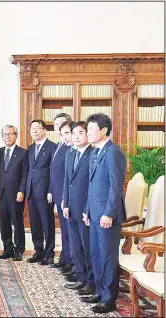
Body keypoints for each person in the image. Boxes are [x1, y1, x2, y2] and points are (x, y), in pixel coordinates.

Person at [82, 114, 126, 314]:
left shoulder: (113, 153)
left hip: (107, 216)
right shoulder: (95, 152)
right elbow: (92, 186)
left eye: (91, 129)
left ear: (104, 131)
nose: (88, 133)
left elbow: (116, 188)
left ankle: (109, 299)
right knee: (96, 254)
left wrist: (109, 213)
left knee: (107, 257)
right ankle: (100, 291)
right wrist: (88, 211)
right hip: (94, 214)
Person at [62, 121, 95, 296]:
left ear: (88, 135)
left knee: (86, 246)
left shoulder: (92, 155)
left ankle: (91, 281)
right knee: (75, 245)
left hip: (85, 210)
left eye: (80, 133)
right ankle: (81, 277)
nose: (75, 137)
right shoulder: (70, 154)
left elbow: (92, 185)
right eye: (73, 133)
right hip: (71, 208)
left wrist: (88, 209)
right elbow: (67, 181)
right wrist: (65, 202)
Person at [26, 120, 57, 265]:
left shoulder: (52, 147)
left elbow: (54, 172)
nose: (34, 131)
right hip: (31, 190)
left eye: (37, 128)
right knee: (35, 223)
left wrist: (51, 190)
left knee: (47, 223)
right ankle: (38, 251)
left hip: (45, 192)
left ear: (44, 130)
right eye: (32, 128)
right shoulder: (31, 148)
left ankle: (49, 253)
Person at [0, 125, 28, 261]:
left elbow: (25, 174)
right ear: (2, 136)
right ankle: (7, 249)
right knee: (4, 223)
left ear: (16, 135)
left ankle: (19, 249)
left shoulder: (23, 153)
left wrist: (21, 191)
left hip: (16, 194)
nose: (8, 136)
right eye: (5, 134)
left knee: (17, 222)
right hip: (1, 194)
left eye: (11, 134)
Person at [48, 114, 73, 270]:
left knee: (70, 231)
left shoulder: (71, 146)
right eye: (56, 124)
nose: (58, 126)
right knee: (63, 230)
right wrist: (51, 190)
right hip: (58, 192)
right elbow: (54, 171)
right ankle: (65, 258)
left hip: (67, 195)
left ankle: (71, 261)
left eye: (62, 124)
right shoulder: (59, 144)